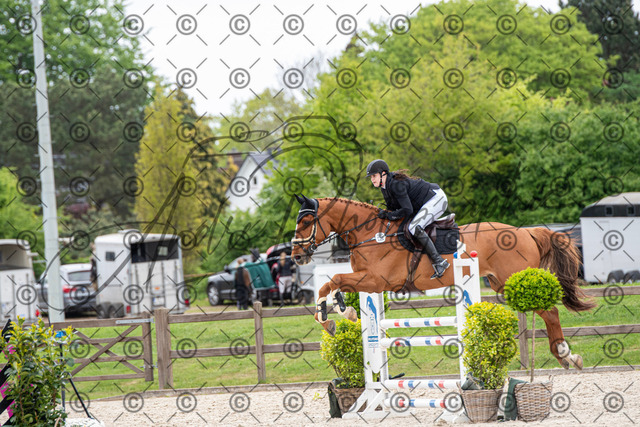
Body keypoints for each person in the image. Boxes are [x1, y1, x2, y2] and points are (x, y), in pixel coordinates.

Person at [366, 159, 450, 279]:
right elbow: (393, 209)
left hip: (436, 199)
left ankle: (439, 261)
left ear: (383, 173)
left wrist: (388, 215)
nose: (372, 179)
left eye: (374, 176)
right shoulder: (385, 187)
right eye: (371, 177)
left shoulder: (396, 185)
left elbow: (407, 210)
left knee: (414, 227)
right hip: (423, 203)